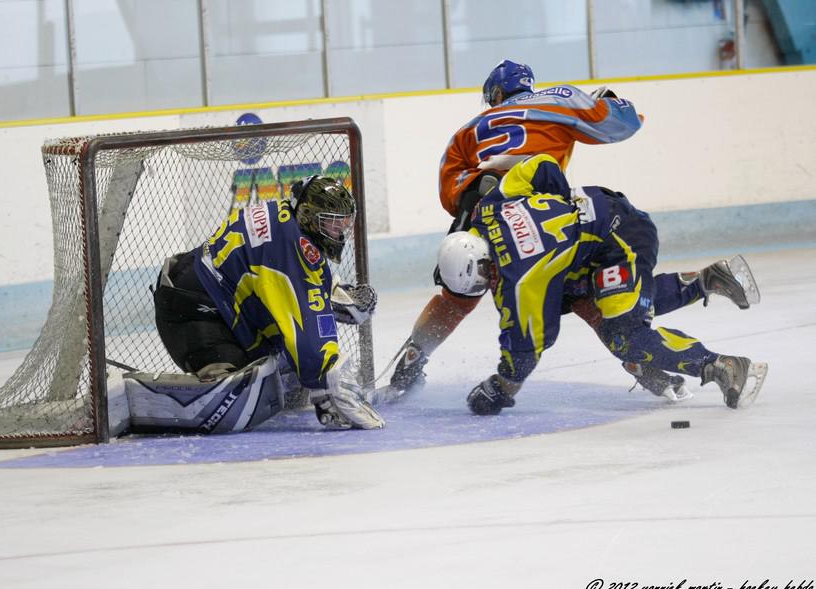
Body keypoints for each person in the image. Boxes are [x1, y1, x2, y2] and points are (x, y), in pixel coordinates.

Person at [390, 59, 756, 402]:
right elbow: (622, 124)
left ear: (496, 96)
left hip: (493, 216)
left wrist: (507, 383)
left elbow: (451, 192)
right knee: (580, 288)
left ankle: (413, 356)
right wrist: (610, 102)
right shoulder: (559, 98)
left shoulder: (466, 132)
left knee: (462, 294)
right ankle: (650, 348)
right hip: (558, 216)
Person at [435, 154, 767, 415]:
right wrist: (567, 213)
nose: (487, 286)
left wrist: (499, 389)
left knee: (624, 336)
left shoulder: (518, 280)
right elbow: (541, 165)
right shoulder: (490, 208)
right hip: (605, 215)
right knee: (591, 298)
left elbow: (527, 347)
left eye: (482, 281)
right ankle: (707, 281)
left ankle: (721, 365)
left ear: (481, 265)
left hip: (621, 241)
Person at [108, 175, 384, 436]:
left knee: (283, 378)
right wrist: (327, 380)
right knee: (238, 399)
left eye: (343, 224)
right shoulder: (289, 247)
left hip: (199, 295)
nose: (340, 232)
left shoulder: (285, 217)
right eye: (332, 223)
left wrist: (332, 295)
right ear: (310, 217)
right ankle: (126, 397)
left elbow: (293, 280)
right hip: (194, 313)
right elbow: (304, 325)